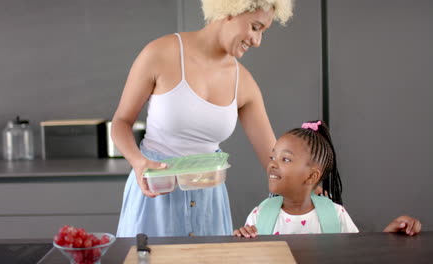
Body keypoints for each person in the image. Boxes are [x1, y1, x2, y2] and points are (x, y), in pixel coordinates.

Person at [111, 0, 294, 237]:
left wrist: (307, 189)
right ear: (230, 11)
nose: (257, 41)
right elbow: (121, 123)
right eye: (255, 27)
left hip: (209, 203)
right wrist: (138, 162)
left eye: (262, 32)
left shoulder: (244, 82)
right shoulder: (159, 54)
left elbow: (273, 158)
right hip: (156, 195)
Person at [233, 121, 422, 237]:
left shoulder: (336, 215)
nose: (273, 164)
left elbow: (359, 253)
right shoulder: (259, 214)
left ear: (312, 176)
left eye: (286, 159)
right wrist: (241, 239)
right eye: (273, 157)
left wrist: (389, 236)